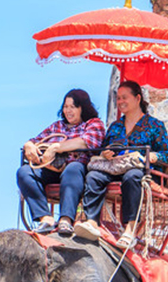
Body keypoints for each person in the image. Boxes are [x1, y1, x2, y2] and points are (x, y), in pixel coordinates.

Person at [75, 80, 168, 247]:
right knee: (94, 176)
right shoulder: (115, 127)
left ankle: (130, 228)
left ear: (137, 98)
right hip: (114, 168)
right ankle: (92, 221)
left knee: (132, 176)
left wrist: (150, 157)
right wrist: (105, 153)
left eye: (124, 97)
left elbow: (167, 155)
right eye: (118, 98)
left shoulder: (155, 126)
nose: (120, 102)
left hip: (140, 170)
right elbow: (103, 149)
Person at [17, 89, 105, 235]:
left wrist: (56, 148)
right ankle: (46, 218)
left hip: (77, 171)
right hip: (52, 168)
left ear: (83, 108)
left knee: (73, 168)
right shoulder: (57, 126)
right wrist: (29, 146)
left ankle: (66, 219)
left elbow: (86, 142)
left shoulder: (93, 124)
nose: (68, 111)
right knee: (24, 172)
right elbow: (37, 140)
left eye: (73, 107)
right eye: (65, 107)